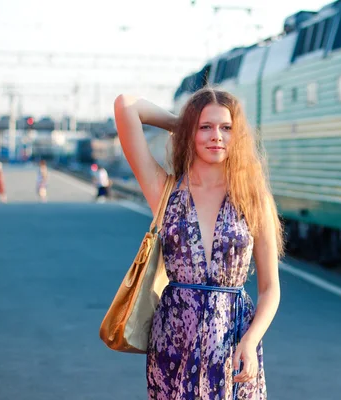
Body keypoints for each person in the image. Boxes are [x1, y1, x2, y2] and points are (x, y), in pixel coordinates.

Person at [114, 87, 283, 400]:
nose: (216, 136)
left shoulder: (254, 198)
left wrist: (250, 339)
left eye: (226, 128)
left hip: (232, 339)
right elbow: (126, 106)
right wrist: (185, 123)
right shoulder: (165, 191)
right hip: (174, 339)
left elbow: (270, 288)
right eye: (206, 127)